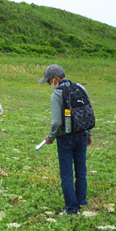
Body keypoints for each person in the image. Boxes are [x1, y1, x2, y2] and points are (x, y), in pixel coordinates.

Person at [39, 64, 93, 214]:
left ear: (56, 79)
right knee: (81, 171)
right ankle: (82, 201)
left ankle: (71, 208)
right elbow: (87, 112)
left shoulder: (57, 94)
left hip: (66, 138)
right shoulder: (80, 88)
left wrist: (50, 137)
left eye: (49, 81)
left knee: (67, 174)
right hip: (82, 134)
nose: (50, 84)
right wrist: (89, 133)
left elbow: (57, 122)